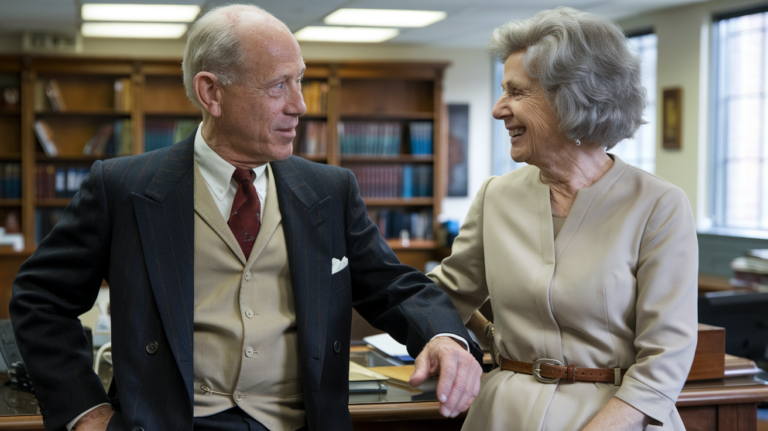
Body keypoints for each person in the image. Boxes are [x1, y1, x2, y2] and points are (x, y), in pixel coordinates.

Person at [10, 5, 483, 431]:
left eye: (300, 81)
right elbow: (40, 298)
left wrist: (443, 336)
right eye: (279, 85)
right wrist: (85, 413)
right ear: (211, 92)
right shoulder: (123, 187)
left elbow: (393, 285)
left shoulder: (329, 190)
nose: (299, 105)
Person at [427, 7, 698, 431]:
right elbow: (444, 297)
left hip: (615, 419)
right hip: (502, 417)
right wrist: (447, 334)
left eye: (516, 92)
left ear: (571, 98)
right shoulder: (496, 197)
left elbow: (667, 357)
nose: (499, 109)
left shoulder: (658, 205)